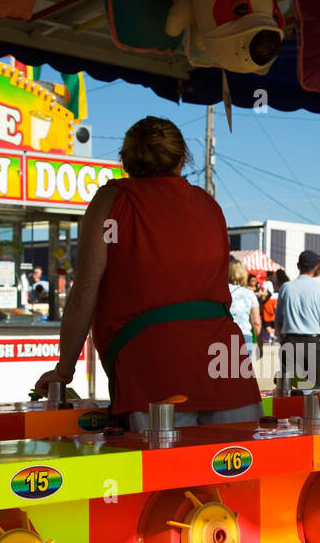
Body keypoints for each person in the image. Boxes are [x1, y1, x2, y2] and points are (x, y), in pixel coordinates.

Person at [33, 116, 260, 427]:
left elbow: (85, 289)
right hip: (226, 362)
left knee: (165, 472)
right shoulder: (209, 206)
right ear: (182, 160)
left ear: (126, 161)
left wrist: (64, 370)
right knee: (234, 470)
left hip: (153, 362)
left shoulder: (112, 200)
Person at [276, 249, 320, 388]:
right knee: (314, 389)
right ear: (316, 267)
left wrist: (283, 340)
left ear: (298, 266)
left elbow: (279, 322)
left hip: (290, 341)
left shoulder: (286, 288)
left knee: (289, 389)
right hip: (313, 343)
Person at [228, 258, 261, 359]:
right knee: (243, 371)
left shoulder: (221, 291)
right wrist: (260, 344)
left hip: (225, 335)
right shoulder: (249, 294)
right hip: (244, 335)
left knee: (224, 371)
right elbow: (256, 322)